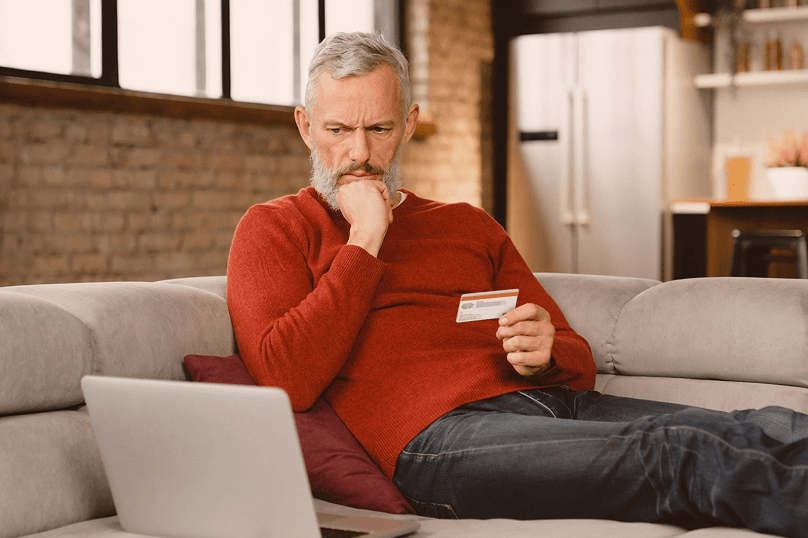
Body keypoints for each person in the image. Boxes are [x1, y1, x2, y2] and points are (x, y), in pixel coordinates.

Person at [227, 32, 808, 537]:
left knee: (758, 422)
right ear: (305, 127)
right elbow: (287, 379)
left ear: (407, 124)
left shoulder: (464, 224)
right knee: (681, 453)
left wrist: (546, 353)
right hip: (439, 441)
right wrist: (365, 238)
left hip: (551, 404)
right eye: (337, 129)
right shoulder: (275, 227)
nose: (359, 154)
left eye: (378, 128)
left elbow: (577, 359)